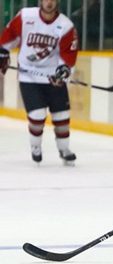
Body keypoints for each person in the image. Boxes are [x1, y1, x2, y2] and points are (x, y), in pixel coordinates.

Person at [0, 0, 78, 166]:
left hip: (53, 77)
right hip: (29, 76)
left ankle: (64, 149)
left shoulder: (66, 25)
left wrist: (63, 71)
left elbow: (68, 54)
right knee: (37, 116)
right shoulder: (26, 16)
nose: (49, 2)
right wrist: (3, 52)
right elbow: (9, 36)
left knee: (62, 116)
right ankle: (35, 146)